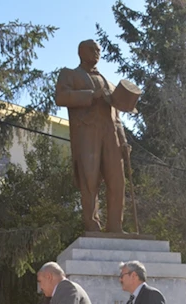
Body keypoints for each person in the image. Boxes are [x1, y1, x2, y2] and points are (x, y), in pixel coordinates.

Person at [55, 39, 132, 233]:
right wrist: (91, 95)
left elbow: (117, 118)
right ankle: (93, 226)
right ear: (81, 52)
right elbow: (61, 97)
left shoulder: (109, 82)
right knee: (89, 181)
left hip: (111, 135)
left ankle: (115, 226)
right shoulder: (70, 74)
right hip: (87, 134)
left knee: (118, 181)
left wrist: (123, 141)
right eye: (92, 50)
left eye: (98, 50)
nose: (96, 53)